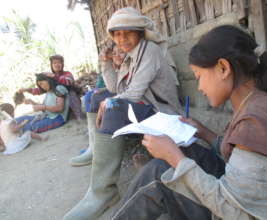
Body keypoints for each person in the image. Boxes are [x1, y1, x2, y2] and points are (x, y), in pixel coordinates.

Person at [111, 25, 267, 220]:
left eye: (199, 77)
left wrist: (174, 158)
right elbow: (246, 161)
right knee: (189, 152)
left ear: (223, 68)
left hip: (237, 211)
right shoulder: (258, 102)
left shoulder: (254, 121)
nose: (199, 87)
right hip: (252, 197)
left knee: (159, 171)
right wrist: (203, 132)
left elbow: (236, 212)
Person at [63, 7, 182, 220]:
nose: (122, 38)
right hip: (145, 110)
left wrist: (111, 102)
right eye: (117, 34)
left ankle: (104, 192)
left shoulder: (149, 50)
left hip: (164, 115)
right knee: (96, 98)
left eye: (128, 32)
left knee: (112, 107)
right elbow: (115, 88)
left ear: (139, 32)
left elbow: (133, 94)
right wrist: (105, 63)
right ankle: (96, 149)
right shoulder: (130, 56)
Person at [70, 44, 126, 167]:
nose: (117, 55)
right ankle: (93, 145)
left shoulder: (133, 62)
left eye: (121, 52)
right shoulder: (117, 64)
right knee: (91, 95)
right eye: (114, 53)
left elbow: (122, 89)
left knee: (101, 100)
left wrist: (109, 99)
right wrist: (105, 63)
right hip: (122, 93)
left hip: (135, 99)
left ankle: (96, 148)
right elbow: (113, 86)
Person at [20, 54, 82, 120]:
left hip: (70, 99)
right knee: (50, 95)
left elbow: (68, 82)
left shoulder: (67, 74)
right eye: (54, 63)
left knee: (71, 94)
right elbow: (40, 90)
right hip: (59, 103)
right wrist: (27, 90)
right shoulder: (49, 76)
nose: (57, 65)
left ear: (62, 64)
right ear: (51, 65)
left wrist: (54, 77)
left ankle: (75, 114)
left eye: (59, 62)